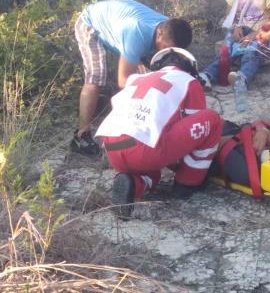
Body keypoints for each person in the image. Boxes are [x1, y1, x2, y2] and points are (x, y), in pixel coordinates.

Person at [95, 47, 223, 218]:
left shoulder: (135, 78)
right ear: (190, 69)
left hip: (113, 147)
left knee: (152, 172)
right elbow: (197, 130)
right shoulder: (189, 82)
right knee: (212, 119)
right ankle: (188, 183)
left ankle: (132, 184)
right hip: (144, 150)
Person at [71, 0, 193, 156]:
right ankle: (81, 136)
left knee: (151, 76)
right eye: (165, 48)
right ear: (159, 35)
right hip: (91, 24)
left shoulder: (170, 29)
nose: (166, 52)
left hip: (120, 25)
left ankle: (148, 125)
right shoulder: (137, 33)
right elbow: (123, 80)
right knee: (96, 78)